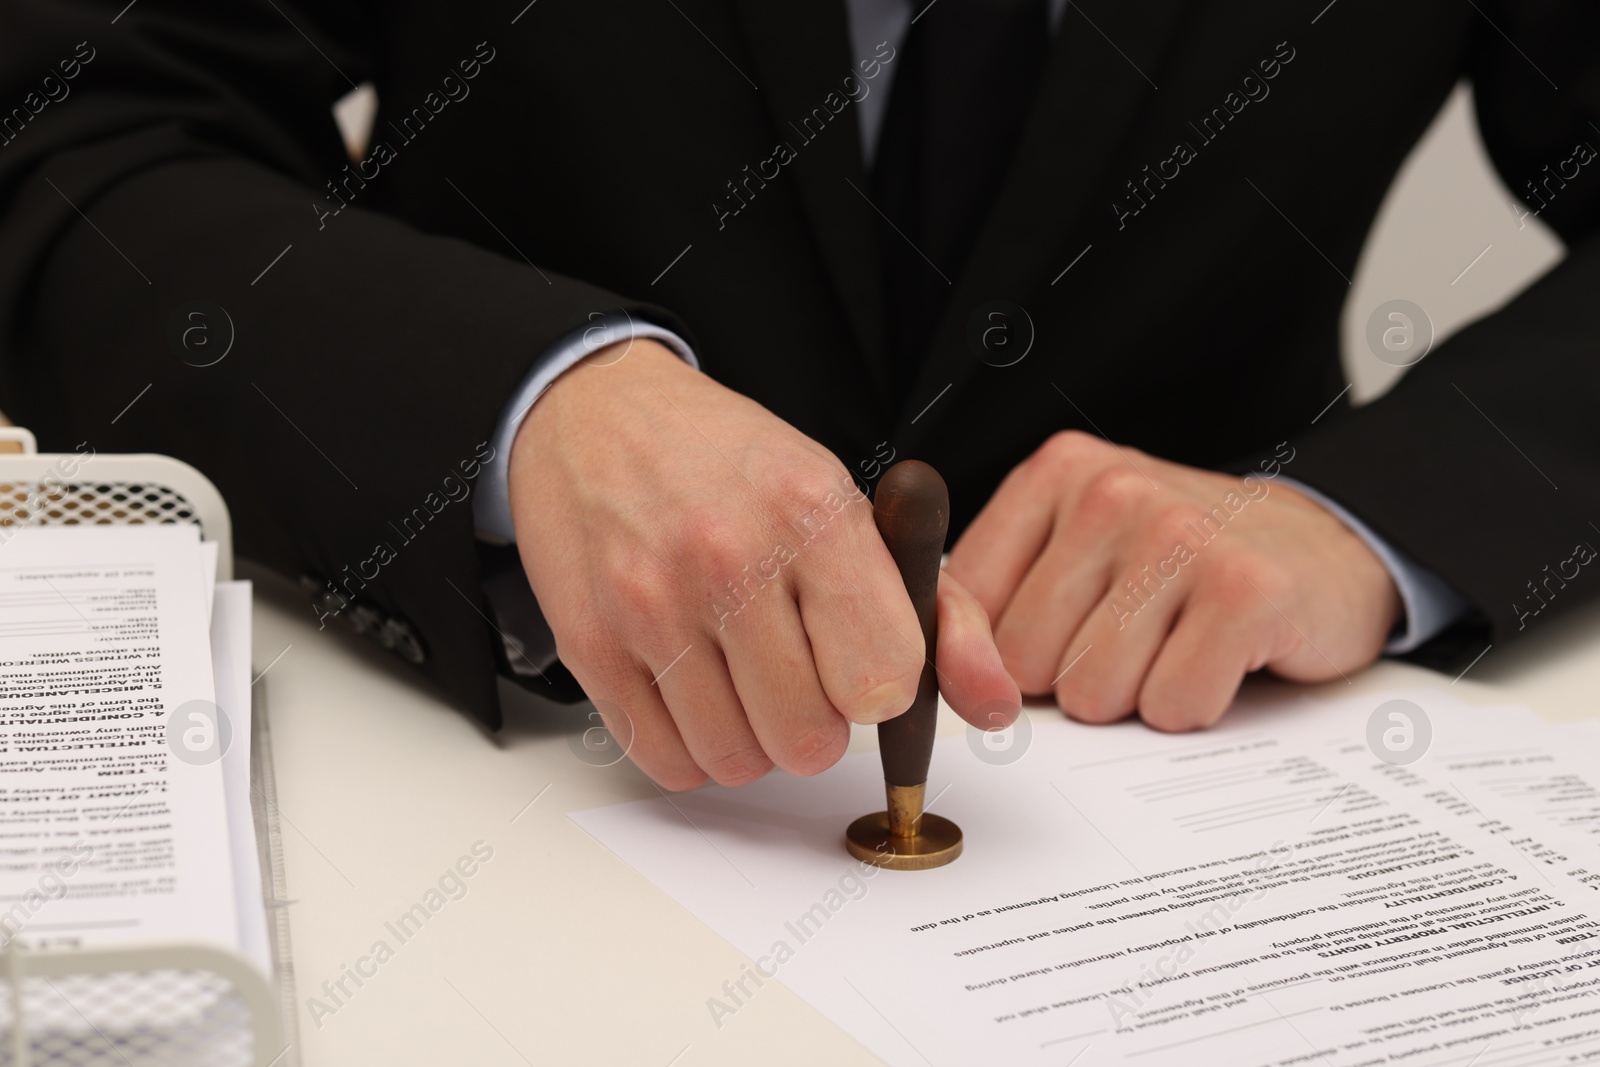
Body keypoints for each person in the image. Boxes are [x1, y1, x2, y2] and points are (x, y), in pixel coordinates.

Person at [1, 0, 1595, 791]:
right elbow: (65, 125)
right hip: (472, 756)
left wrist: (1372, 513)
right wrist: (522, 402)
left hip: (1210, 763)